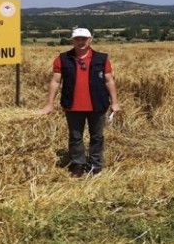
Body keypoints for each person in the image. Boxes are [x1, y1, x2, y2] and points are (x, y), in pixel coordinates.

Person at [40, 27, 120, 177]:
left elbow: (109, 81)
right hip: (72, 105)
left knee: (97, 136)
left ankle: (95, 165)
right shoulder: (63, 58)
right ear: (73, 40)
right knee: (75, 136)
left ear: (90, 40)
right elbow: (56, 81)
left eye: (84, 38)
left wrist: (114, 102)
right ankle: (78, 164)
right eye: (77, 39)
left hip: (97, 104)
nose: (81, 42)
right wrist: (49, 104)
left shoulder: (102, 58)